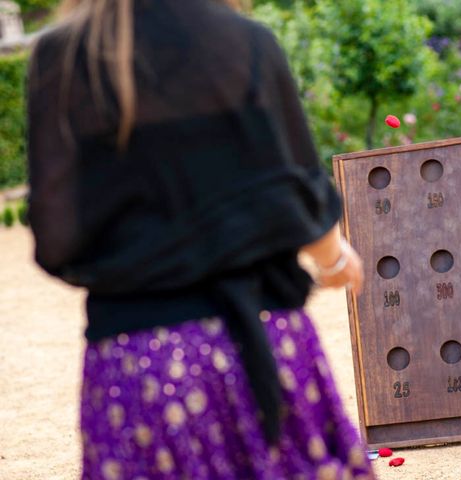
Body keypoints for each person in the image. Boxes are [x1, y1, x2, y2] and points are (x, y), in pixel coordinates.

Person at [26, 0, 373, 478]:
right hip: (267, 340)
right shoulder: (246, 43)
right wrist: (334, 261)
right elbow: (297, 190)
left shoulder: (62, 58)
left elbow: (55, 240)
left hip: (138, 359)